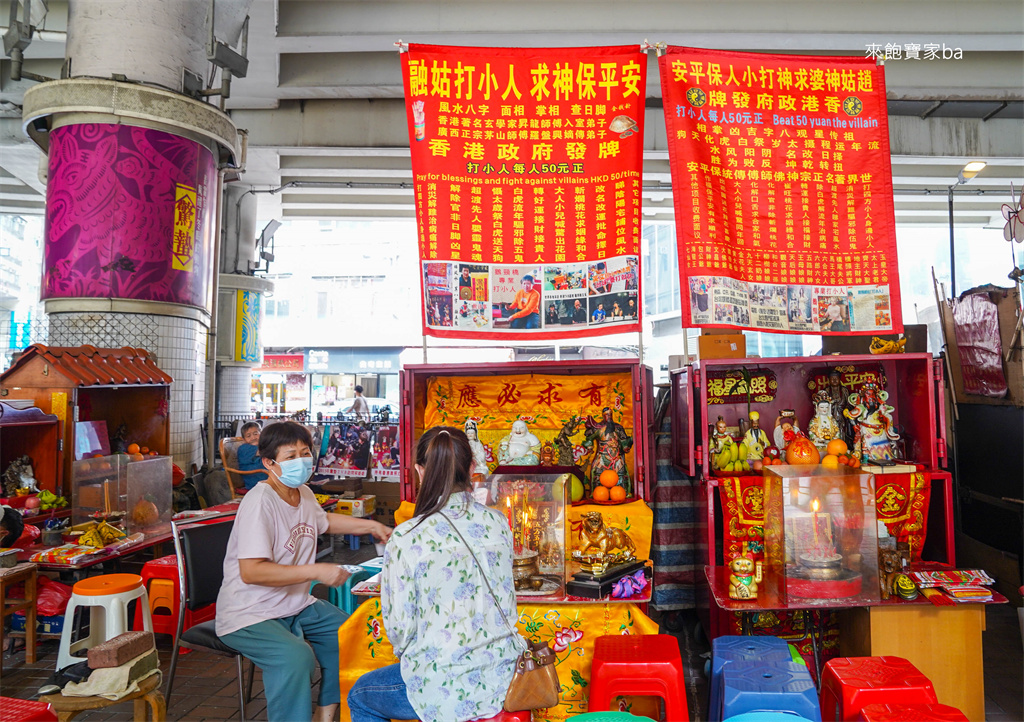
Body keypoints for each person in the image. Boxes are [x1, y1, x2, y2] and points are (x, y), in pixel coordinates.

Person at [216, 422, 392, 722]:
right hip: (249, 612)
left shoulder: (303, 492)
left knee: (349, 634)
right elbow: (251, 571)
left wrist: (373, 526)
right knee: (296, 658)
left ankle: (326, 714)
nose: (301, 461)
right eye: (290, 456)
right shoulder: (260, 502)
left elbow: (324, 522)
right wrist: (316, 571)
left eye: (305, 453)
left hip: (294, 604)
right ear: (269, 463)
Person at [347, 427, 520, 722]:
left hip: (444, 683)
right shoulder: (498, 521)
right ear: (472, 468)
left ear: (419, 471)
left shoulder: (407, 536)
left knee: (360, 696)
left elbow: (400, 630)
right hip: (505, 673)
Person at [236, 421, 267, 489]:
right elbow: (263, 451)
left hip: (265, 475)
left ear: (261, 434)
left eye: (255, 434)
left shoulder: (263, 445)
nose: (253, 438)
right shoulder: (244, 448)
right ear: (244, 439)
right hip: (254, 478)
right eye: (248, 436)